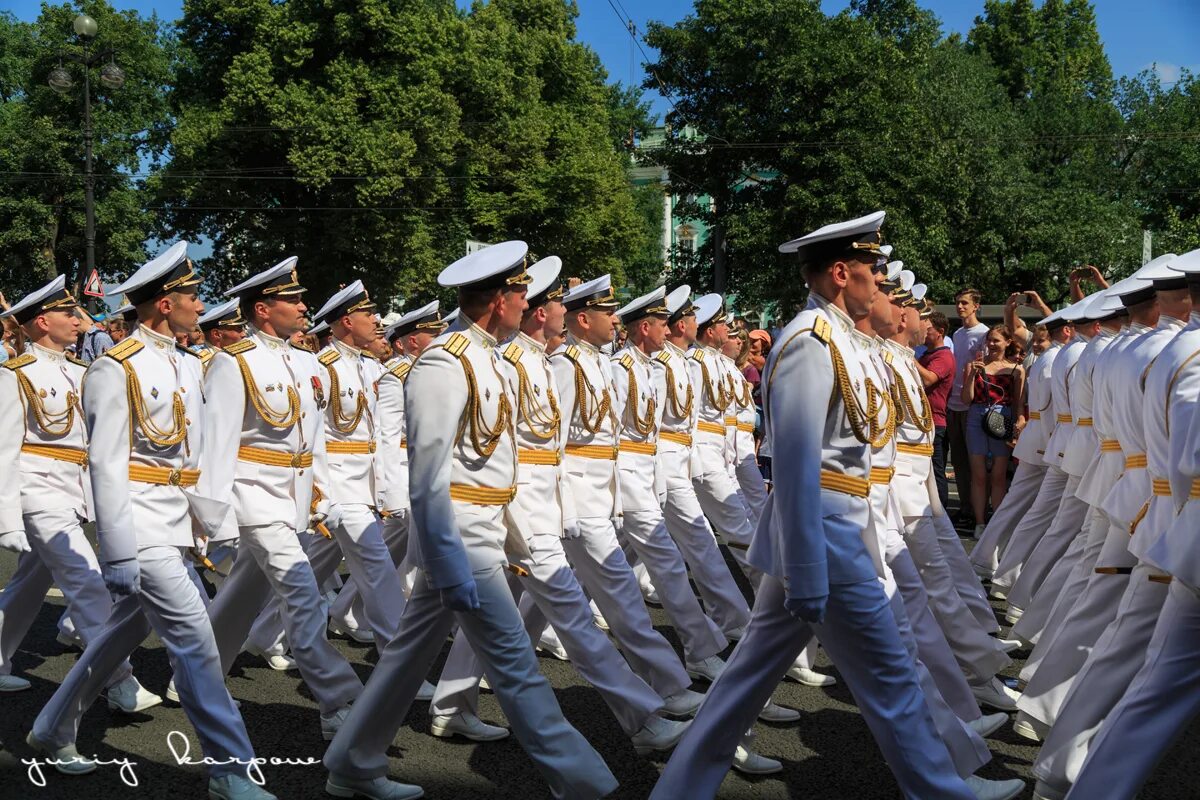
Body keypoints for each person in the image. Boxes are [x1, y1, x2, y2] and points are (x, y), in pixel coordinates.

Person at [651, 210, 975, 800]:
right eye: (870, 271)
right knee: (891, 676)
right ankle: (945, 791)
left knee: (744, 683)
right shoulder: (808, 342)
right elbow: (797, 466)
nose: (878, 283)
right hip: (826, 536)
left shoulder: (839, 340)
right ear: (838, 273)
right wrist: (806, 570)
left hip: (839, 526)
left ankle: (677, 789)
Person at [322, 240, 616, 800]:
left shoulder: (490, 358)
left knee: (405, 659)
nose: (530, 305)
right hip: (462, 537)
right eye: (522, 294)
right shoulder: (444, 361)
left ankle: (354, 762)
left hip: (486, 530)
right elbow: (427, 474)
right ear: (499, 299)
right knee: (516, 666)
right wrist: (446, 556)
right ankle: (585, 784)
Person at [27, 242, 274, 800]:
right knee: (196, 639)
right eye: (191, 295)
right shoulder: (116, 368)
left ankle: (51, 727)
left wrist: (212, 523)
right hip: (139, 524)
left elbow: (197, 454)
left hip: (178, 522)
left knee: (119, 635)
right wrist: (116, 552)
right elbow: (107, 464)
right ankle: (231, 769)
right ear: (165, 304)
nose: (199, 303)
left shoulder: (185, 363)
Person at [192, 256, 365, 742]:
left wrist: (321, 493)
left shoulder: (307, 361)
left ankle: (195, 675)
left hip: (291, 498)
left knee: (242, 594)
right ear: (264, 309)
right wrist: (215, 520)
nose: (303, 306)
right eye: (293, 300)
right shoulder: (233, 362)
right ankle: (338, 698)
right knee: (303, 596)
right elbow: (219, 443)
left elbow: (317, 438)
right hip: (253, 497)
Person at [0, 275, 159, 710]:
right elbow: (3, 449)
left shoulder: (82, 372)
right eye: (67, 313)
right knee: (87, 581)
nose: (78, 320)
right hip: (39, 489)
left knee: (30, 584)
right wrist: (6, 516)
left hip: (76, 489)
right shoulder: (14, 375)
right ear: (39, 322)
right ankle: (120, 680)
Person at [960, 325, 1025, 537]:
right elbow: (966, 400)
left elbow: (1018, 402)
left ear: (1007, 342)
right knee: (978, 474)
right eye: (989, 340)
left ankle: (996, 522)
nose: (991, 344)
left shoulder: (1016, 369)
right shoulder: (974, 366)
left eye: (996, 340)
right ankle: (979, 522)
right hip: (976, 415)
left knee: (998, 474)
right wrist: (972, 376)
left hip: (1002, 417)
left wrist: (1018, 423)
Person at [946, 288, 988, 523]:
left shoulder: (983, 333)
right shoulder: (958, 334)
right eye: (957, 303)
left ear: (976, 306)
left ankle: (978, 507)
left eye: (964, 303)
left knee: (976, 461)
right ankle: (964, 506)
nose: (960, 307)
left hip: (971, 403)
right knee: (959, 460)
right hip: (953, 403)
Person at [917, 311, 954, 510]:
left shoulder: (944, 356)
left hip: (935, 422)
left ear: (940, 332)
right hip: (925, 421)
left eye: (928, 328)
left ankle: (941, 511)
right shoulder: (927, 354)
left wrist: (908, 358)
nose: (924, 330)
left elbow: (929, 379)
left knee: (936, 470)